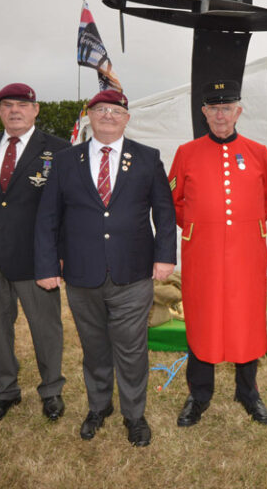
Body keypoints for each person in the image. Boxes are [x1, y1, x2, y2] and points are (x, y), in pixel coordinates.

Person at [35, 89, 176, 447]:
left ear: (127, 118)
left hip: (133, 272)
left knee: (131, 349)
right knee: (94, 347)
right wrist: (47, 265)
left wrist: (165, 257)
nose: (108, 116)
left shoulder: (147, 158)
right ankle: (99, 407)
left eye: (116, 111)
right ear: (90, 116)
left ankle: (134, 414)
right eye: (101, 110)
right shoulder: (66, 161)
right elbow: (48, 216)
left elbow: (164, 211)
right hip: (82, 275)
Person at [168, 80, 267, 427]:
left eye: (227, 108)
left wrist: (240, 227)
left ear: (238, 111)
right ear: (204, 113)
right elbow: (174, 199)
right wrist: (205, 226)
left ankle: (248, 392)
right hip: (202, 254)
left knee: (246, 320)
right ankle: (199, 395)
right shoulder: (186, 152)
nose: (220, 115)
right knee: (203, 319)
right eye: (213, 108)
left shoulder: (258, 151)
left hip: (247, 254)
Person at [0, 83, 70, 427]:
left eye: (23, 105)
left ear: (36, 110)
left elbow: (67, 210)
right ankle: (4, 392)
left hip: (37, 261)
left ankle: (51, 390)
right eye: (7, 105)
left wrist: (60, 256)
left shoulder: (60, 149)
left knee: (45, 329)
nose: (15, 110)